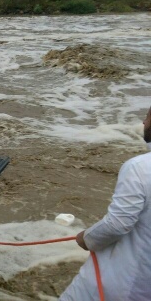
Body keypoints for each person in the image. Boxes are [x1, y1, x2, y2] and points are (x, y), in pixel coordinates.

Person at [60, 106, 151, 300]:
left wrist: (86, 238)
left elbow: (117, 224)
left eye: (148, 116)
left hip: (117, 284)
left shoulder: (139, 167)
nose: (143, 123)